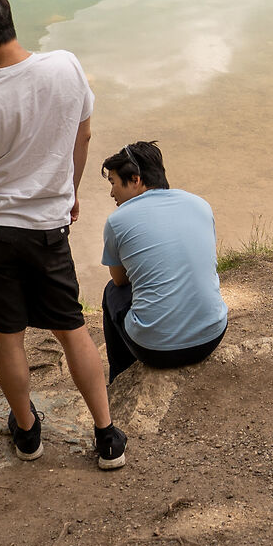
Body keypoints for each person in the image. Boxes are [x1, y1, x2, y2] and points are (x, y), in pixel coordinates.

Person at [0, 0, 127, 470]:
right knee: (72, 330)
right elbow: (82, 134)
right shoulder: (66, 65)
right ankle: (106, 437)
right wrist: (72, 192)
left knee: (9, 336)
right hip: (47, 228)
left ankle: (27, 434)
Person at [97, 142, 228, 381]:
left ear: (135, 179)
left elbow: (120, 280)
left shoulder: (117, 221)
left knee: (111, 293)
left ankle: (119, 379)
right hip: (212, 336)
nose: (112, 193)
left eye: (114, 183)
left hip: (156, 352)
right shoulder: (200, 204)